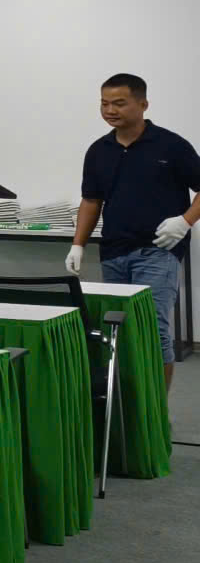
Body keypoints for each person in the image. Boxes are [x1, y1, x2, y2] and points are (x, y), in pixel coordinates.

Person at [70, 72, 198, 386]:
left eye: (119, 103)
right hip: (113, 252)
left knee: (154, 330)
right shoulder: (99, 150)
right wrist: (78, 244)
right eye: (104, 103)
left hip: (158, 251)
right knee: (119, 330)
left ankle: (156, 410)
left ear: (143, 104)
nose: (110, 110)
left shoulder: (171, 145)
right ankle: (129, 405)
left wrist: (185, 221)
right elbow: (91, 200)